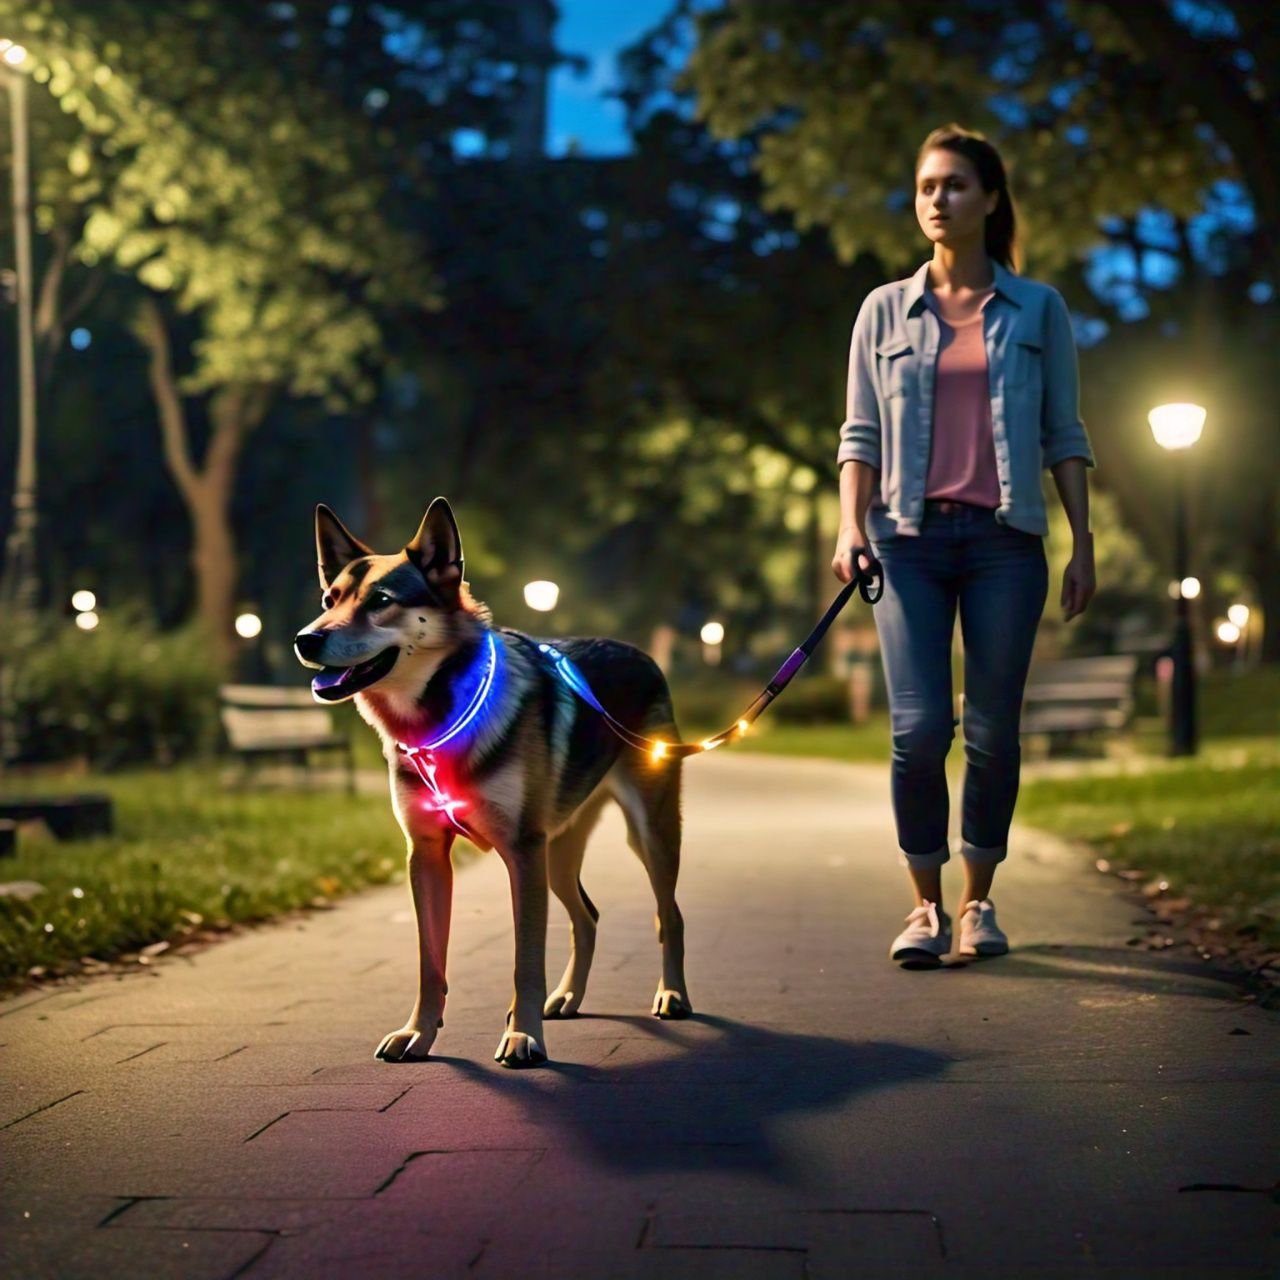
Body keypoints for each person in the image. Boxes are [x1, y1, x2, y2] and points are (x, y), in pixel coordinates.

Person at [831, 123, 1096, 968]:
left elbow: (1064, 431)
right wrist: (849, 527)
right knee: (916, 731)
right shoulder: (882, 309)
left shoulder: (1039, 309)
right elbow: (859, 435)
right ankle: (924, 907)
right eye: (925, 187)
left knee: (991, 731)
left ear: (989, 198)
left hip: (1006, 541)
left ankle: (978, 902)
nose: (936, 200)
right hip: (904, 541)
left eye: (953, 185)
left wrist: (1082, 539)